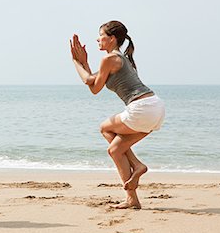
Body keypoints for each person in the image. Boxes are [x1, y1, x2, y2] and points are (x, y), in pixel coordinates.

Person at [70, 20, 165, 209]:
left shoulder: (109, 59)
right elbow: (95, 85)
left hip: (141, 108)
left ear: (112, 39)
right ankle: (132, 198)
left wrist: (76, 61)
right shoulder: (118, 58)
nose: (98, 39)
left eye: (101, 35)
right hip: (155, 108)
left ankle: (137, 165)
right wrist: (85, 62)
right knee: (115, 150)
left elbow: (90, 82)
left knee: (105, 128)